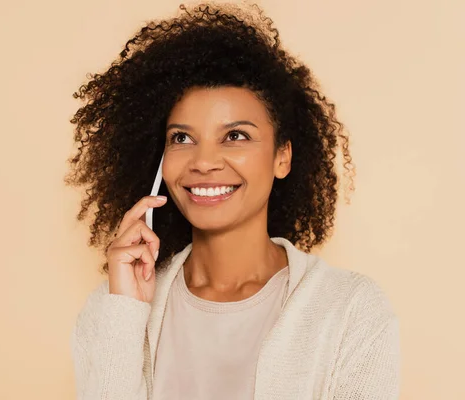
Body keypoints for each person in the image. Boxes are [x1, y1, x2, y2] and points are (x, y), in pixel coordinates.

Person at [65, 3, 400, 399]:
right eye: (182, 138)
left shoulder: (349, 310)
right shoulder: (114, 307)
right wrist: (124, 311)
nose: (203, 162)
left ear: (282, 157)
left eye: (236, 136)